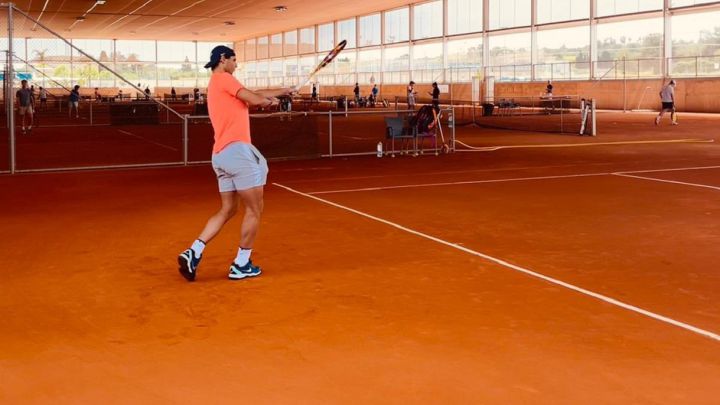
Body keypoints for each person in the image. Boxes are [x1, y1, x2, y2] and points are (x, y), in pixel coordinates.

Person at [177, 45, 294, 282]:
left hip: (220, 155)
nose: (236, 64)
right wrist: (265, 102)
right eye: (234, 60)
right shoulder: (224, 78)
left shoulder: (219, 84)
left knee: (228, 209)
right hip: (237, 152)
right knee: (255, 209)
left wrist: (284, 90)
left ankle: (194, 251)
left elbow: (252, 92)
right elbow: (252, 97)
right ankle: (241, 264)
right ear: (223, 59)